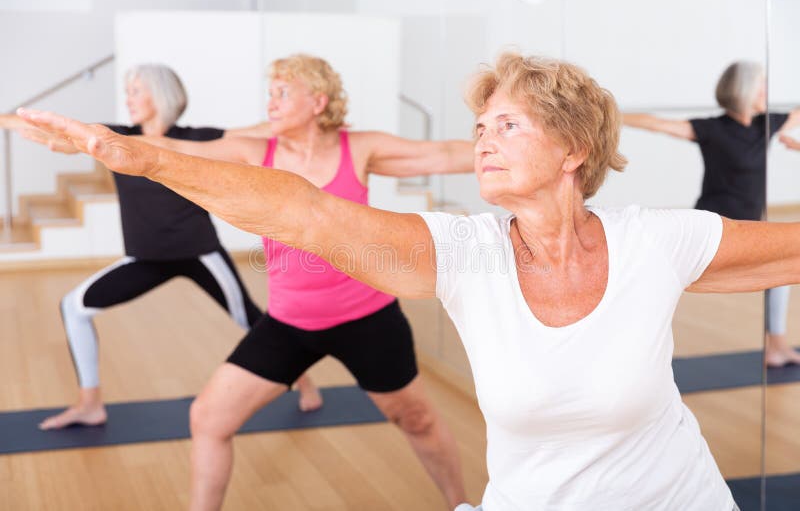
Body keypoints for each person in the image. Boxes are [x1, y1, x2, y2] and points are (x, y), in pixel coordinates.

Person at [19, 51, 795, 510]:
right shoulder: (466, 253)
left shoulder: (655, 241)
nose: (483, 141)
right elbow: (305, 216)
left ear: (573, 151)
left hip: (683, 500)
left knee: (415, 418)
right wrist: (139, 155)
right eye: (481, 128)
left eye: (509, 126)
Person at [25, 54, 474, 511]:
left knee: (415, 418)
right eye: (271, 91)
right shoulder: (254, 151)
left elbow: (443, 154)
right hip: (289, 324)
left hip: (368, 319)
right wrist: (94, 143)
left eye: (283, 92)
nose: (271, 102)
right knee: (208, 419)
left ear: (318, 101)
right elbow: (171, 152)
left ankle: (462, 504)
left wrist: (516, 144)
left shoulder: (359, 147)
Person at [0, 64, 321, 430]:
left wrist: (312, 118)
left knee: (248, 317)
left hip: (199, 253)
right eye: (128, 91)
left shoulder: (198, 138)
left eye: (137, 90)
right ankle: (90, 405)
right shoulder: (118, 137)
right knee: (73, 307)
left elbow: (258, 133)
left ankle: (304, 380)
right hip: (145, 257)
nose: (129, 98)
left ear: (161, 95)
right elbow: (51, 131)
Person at [623, 61, 800, 367]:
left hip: (750, 228)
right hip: (710, 229)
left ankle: (777, 346)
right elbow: (658, 123)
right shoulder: (714, 129)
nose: (767, 92)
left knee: (783, 270)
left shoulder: (766, 125)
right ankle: (633, 353)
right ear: (744, 91)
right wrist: (610, 114)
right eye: (762, 85)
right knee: (664, 282)